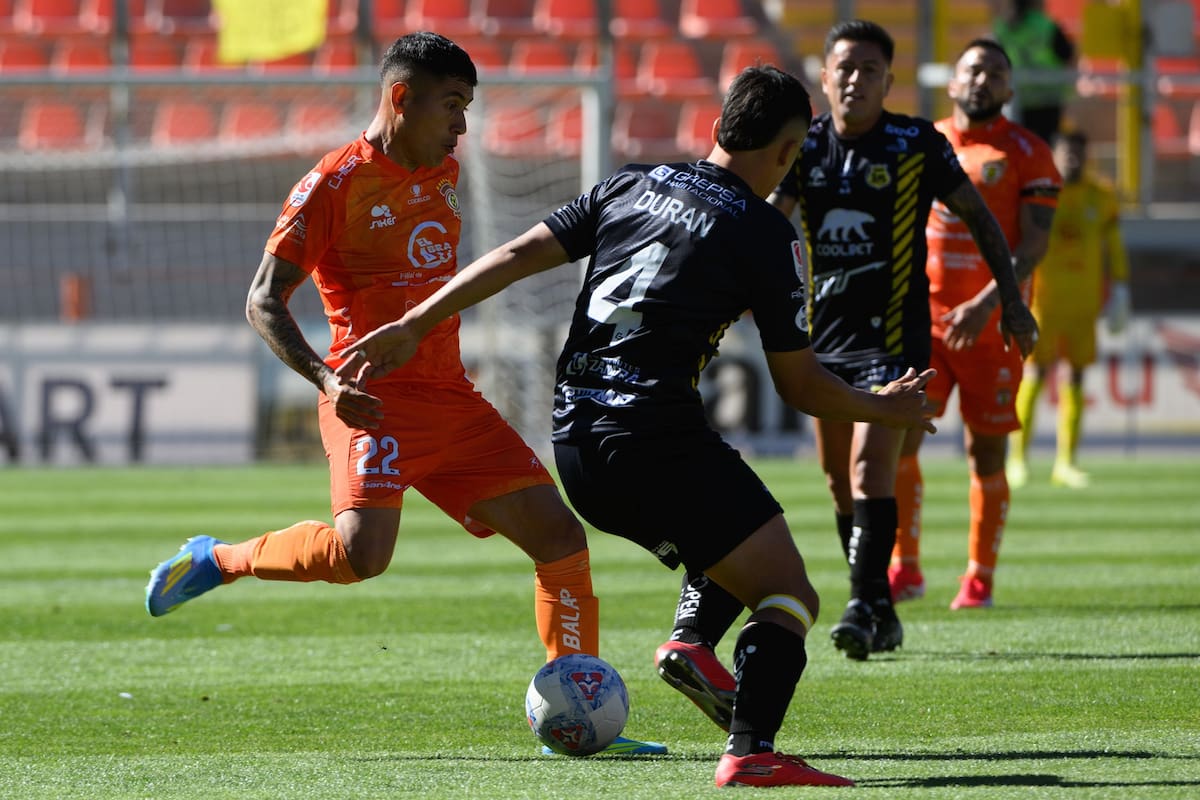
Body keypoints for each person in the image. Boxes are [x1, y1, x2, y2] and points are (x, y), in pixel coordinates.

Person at [337, 65, 937, 789]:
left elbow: (514, 255)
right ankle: (751, 750)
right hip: (655, 439)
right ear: (788, 152)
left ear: (717, 128)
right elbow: (801, 385)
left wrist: (412, 322)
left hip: (577, 444)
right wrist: (886, 406)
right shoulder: (766, 235)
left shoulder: (630, 183)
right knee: (790, 593)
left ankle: (695, 645)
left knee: (735, 526)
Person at [142, 31, 662, 756]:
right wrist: (328, 380)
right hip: (371, 401)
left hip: (451, 399)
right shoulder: (333, 185)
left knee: (560, 537)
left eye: (467, 107)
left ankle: (574, 709)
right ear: (399, 98)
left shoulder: (444, 171)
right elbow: (263, 300)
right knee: (363, 557)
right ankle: (217, 559)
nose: (462, 124)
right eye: (451, 104)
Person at [663, 20, 1039, 665]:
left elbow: (979, 218)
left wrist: (1010, 301)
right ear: (826, 76)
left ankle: (864, 603)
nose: (855, 78)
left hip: (894, 337)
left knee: (870, 469)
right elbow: (768, 217)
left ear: (889, 81)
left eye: (869, 69)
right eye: (845, 67)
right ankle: (878, 604)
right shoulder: (804, 145)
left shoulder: (915, 142)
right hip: (821, 336)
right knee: (839, 482)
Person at [888, 39, 1061, 611]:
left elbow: (1033, 244)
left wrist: (989, 305)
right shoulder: (924, 142)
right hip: (925, 324)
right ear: (953, 83)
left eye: (995, 72)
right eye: (972, 70)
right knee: (900, 441)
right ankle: (904, 568)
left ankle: (979, 578)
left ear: (1010, 89)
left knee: (984, 455)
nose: (983, 79)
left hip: (993, 331)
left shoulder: (1029, 152)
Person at [1009, 130, 1130, 489]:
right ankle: (1018, 459)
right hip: (1044, 304)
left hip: (1083, 305)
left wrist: (1121, 286)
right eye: (1066, 153)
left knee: (1076, 377)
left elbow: (1114, 246)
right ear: (1055, 155)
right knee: (1033, 377)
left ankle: (1066, 463)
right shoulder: (1039, 193)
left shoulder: (1102, 197)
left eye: (1078, 152)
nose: (1072, 159)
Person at [993, 0, 1076, 144]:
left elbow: (1068, 55)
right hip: (1022, 101)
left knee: (1037, 148)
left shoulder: (1042, 26)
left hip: (1043, 100)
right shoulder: (1002, 29)